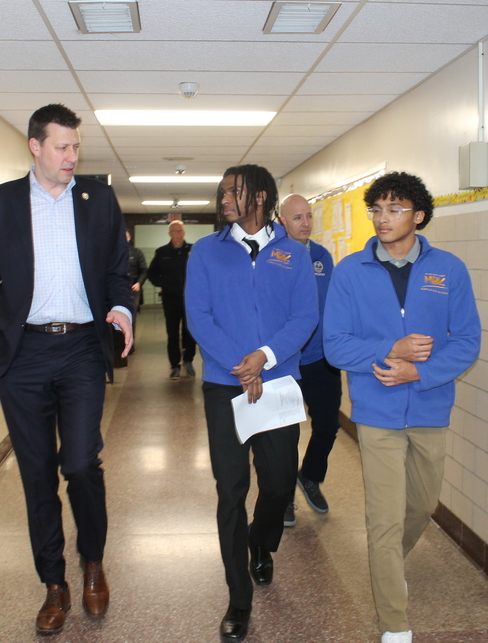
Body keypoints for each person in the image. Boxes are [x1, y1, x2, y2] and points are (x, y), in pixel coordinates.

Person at [0, 103, 133, 635]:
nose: (71, 156)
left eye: (76, 146)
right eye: (62, 147)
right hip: (23, 356)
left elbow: (115, 270)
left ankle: (92, 562)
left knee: (82, 463)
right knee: (37, 473)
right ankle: (54, 584)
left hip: (83, 348)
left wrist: (122, 308)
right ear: (35, 147)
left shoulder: (99, 199)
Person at [323, 172, 481, 643]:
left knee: (422, 505)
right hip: (377, 412)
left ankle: (390, 566)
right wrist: (389, 350)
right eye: (376, 209)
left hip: (431, 407)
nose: (382, 218)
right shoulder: (350, 271)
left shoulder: (447, 270)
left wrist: (421, 372)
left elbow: (467, 341)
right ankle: (394, 621)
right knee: (384, 519)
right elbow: (335, 345)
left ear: (419, 216)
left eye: (394, 209)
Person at [185, 165, 318, 641]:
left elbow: (305, 316)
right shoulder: (205, 252)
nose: (224, 199)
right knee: (231, 488)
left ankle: (262, 544)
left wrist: (263, 358)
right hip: (225, 385)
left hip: (278, 381)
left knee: (280, 481)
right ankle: (238, 598)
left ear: (260, 196)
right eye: (221, 191)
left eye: (233, 191)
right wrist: (239, 366)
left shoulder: (292, 253)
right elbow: (198, 316)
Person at [276, 194, 341, 527]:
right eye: (298, 217)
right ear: (282, 220)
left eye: (309, 216)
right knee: (286, 435)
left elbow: (329, 302)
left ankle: (310, 476)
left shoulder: (321, 256)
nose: (306, 223)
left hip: (320, 358)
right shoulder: (273, 255)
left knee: (329, 425)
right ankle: (284, 496)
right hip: (285, 359)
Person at [148, 220, 196, 379]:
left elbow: (202, 271)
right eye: (175, 231)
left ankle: (188, 361)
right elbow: (152, 274)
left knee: (189, 332)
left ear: (184, 232)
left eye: (180, 231)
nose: (178, 234)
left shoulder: (193, 250)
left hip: (190, 299)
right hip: (170, 299)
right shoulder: (162, 252)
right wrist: (164, 284)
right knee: (172, 332)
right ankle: (175, 365)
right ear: (170, 233)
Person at [126, 229, 148, 343]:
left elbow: (144, 270)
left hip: (133, 288)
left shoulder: (136, 253)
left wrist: (139, 283)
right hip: (117, 288)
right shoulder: (112, 252)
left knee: (131, 315)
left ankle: (130, 342)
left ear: (129, 238)